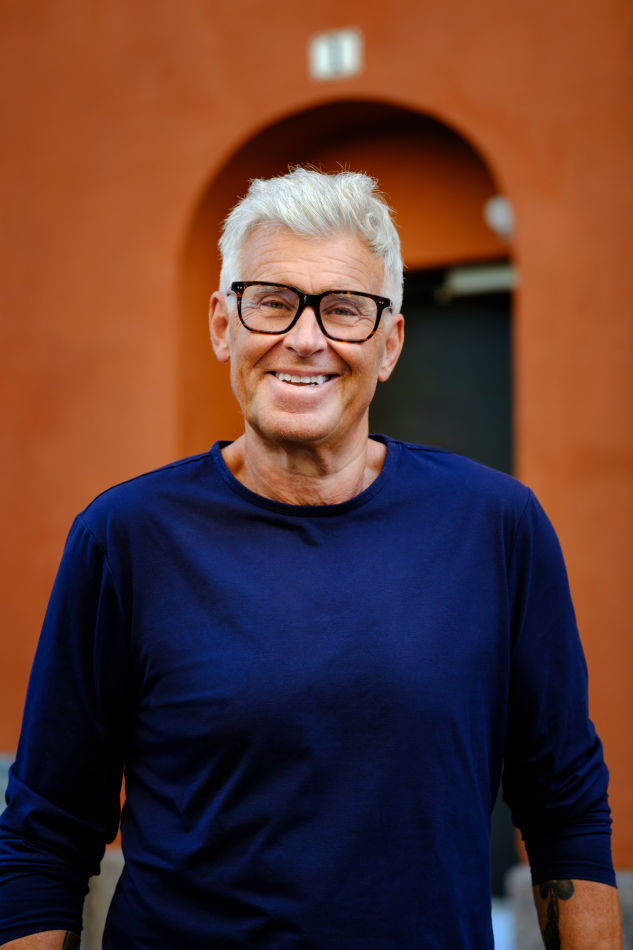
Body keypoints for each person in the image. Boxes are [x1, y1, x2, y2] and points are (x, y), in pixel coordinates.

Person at [0, 168, 621, 949]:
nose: (303, 338)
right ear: (223, 325)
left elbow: (563, 805)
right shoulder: (126, 538)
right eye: (271, 301)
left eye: (343, 308)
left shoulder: (495, 528)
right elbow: (46, 834)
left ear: (388, 344)